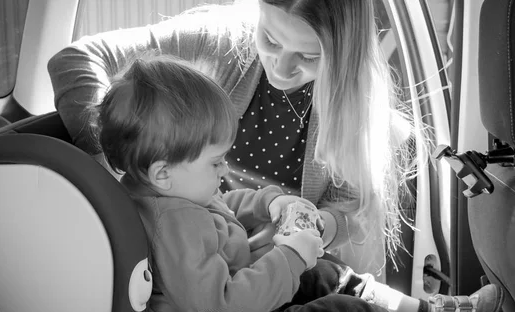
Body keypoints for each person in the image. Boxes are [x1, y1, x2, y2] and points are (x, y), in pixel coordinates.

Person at [91, 55, 509, 312]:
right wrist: (289, 254)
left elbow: (222, 206)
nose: (224, 170)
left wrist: (270, 202)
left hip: (237, 295)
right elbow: (222, 310)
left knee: (325, 273)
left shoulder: (171, 191)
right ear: (163, 173)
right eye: (216, 162)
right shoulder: (174, 225)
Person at [47, 0, 415, 270]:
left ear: (342, 58)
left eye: (308, 56)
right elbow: (75, 58)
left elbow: (351, 206)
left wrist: (316, 227)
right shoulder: (221, 41)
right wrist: (108, 162)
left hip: (286, 264)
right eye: (270, 40)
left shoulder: (356, 100)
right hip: (196, 252)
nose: (282, 69)